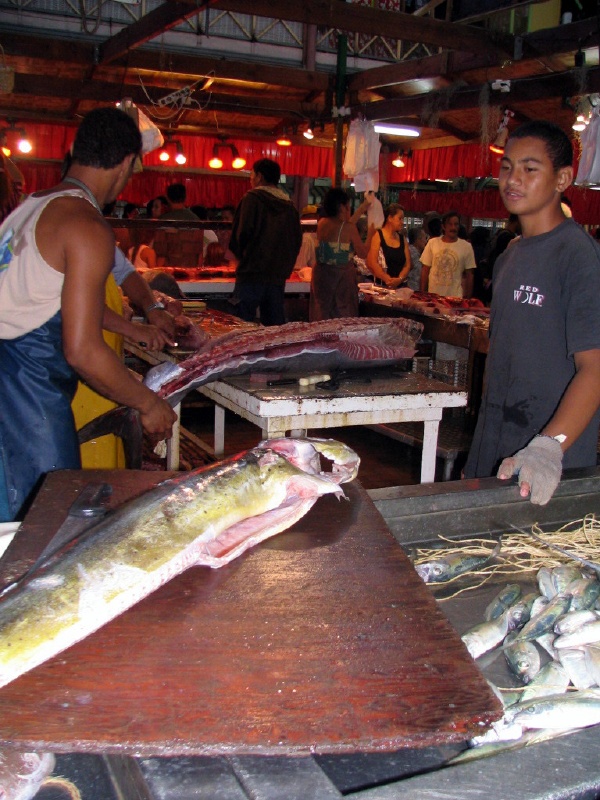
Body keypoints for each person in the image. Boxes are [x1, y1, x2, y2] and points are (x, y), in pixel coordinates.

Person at [0, 106, 177, 521]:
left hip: (12, 381)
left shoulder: (30, 208)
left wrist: (131, 327)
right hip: (25, 396)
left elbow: (45, 303)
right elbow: (82, 351)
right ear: (127, 163)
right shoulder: (85, 224)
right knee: (46, 529)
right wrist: (148, 403)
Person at [464, 120, 600, 506]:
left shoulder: (578, 256)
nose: (513, 179)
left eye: (530, 168)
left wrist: (548, 447)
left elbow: (595, 368)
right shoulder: (509, 258)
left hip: (545, 466)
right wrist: (478, 459)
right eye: (507, 167)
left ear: (563, 179)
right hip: (496, 453)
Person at [229, 158, 302, 325]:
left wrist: (241, 258)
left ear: (259, 176)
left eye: (252, 174)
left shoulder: (252, 198)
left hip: (251, 273)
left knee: (240, 325)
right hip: (277, 276)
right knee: (274, 329)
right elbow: (296, 240)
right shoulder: (289, 206)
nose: (250, 179)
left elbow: (242, 234)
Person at [309, 187, 373, 321]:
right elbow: (363, 253)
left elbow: (344, 226)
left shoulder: (322, 223)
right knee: (341, 318)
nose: (349, 208)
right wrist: (371, 233)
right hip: (341, 279)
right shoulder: (348, 228)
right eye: (348, 205)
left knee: (321, 316)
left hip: (321, 277)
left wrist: (362, 208)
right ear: (342, 207)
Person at [420, 209, 476, 297]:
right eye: (450, 224)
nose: (453, 227)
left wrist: (467, 299)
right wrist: (422, 293)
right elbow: (425, 270)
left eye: (456, 224)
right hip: (433, 296)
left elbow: (470, 275)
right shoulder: (432, 243)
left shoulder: (466, 246)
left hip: (455, 297)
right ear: (443, 226)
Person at [365, 202, 411, 289]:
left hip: (400, 286)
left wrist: (399, 279)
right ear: (390, 218)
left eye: (403, 219)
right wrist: (387, 279)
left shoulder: (403, 239)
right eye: (400, 218)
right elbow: (372, 262)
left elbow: (407, 265)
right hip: (381, 285)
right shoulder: (377, 235)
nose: (402, 222)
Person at [407, 226, 428, 291]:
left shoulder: (418, 253)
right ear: (418, 240)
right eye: (425, 238)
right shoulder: (412, 253)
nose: (426, 241)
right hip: (412, 290)